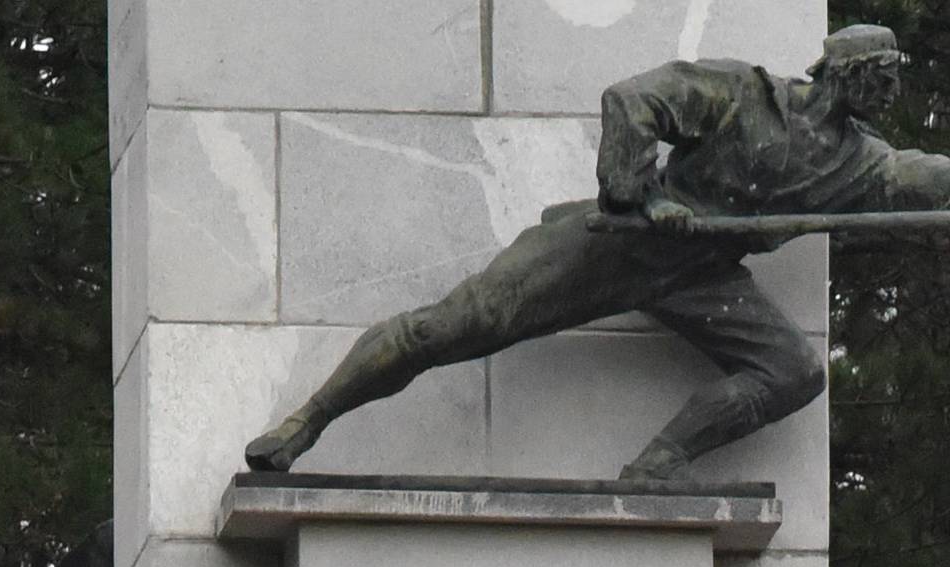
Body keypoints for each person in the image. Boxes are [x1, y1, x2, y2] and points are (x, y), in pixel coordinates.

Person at [247, 27, 933, 484]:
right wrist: (639, 195)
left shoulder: (860, 163)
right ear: (852, 72)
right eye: (886, 77)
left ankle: (657, 465)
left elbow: (918, 175)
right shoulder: (745, 95)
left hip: (701, 274)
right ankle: (309, 419)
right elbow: (633, 101)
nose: (893, 92)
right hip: (625, 241)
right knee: (451, 326)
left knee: (794, 371)